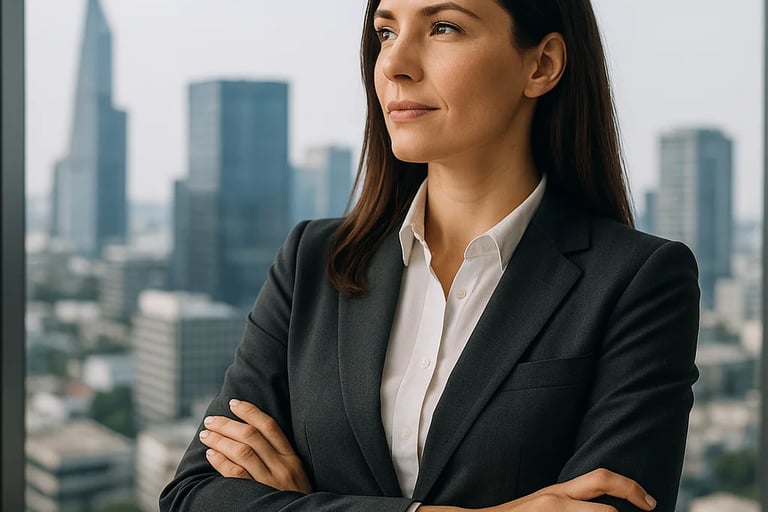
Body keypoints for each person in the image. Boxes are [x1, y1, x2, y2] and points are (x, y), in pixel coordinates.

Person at [160, 0, 700, 510]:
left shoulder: (639, 281)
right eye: (386, 31)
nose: (394, 62)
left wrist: (303, 502)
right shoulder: (313, 261)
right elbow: (195, 495)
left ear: (542, 64)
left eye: (444, 27)